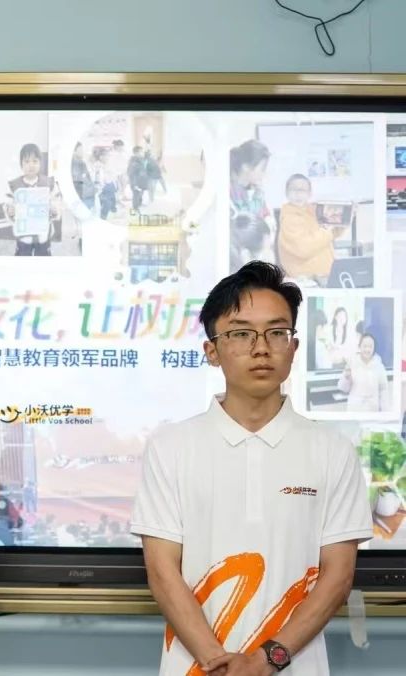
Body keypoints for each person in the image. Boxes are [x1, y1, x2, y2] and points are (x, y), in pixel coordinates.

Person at [131, 261, 371, 676]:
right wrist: (218, 663)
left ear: (293, 347)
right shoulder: (170, 447)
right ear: (212, 350)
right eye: (241, 333)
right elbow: (162, 570)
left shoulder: (332, 450)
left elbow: (338, 576)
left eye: (277, 332)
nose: (261, 348)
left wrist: (266, 660)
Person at [277, 174, 345, 283]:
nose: (298, 194)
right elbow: (304, 248)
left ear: (309, 193)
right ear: (286, 193)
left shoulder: (311, 211)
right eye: (294, 189)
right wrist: (328, 232)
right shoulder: (288, 218)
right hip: (308, 278)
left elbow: (330, 235)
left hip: (325, 272)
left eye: (302, 190)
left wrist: (343, 221)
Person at [4, 143, 54, 256]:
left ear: (40, 163)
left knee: (43, 258)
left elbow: (56, 200)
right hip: (24, 235)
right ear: (21, 164)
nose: (31, 165)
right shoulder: (14, 185)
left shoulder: (48, 183)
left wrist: (54, 208)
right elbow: (7, 202)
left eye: (35, 161)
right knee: (22, 258)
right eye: (27, 161)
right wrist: (10, 210)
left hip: (43, 233)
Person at [338, 333, 390, 412]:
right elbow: (343, 388)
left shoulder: (379, 366)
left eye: (370, 346)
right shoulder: (352, 363)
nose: (367, 349)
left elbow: (383, 390)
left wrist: (385, 411)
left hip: (372, 410)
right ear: (359, 347)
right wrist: (346, 377)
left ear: (374, 348)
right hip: (355, 409)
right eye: (365, 346)